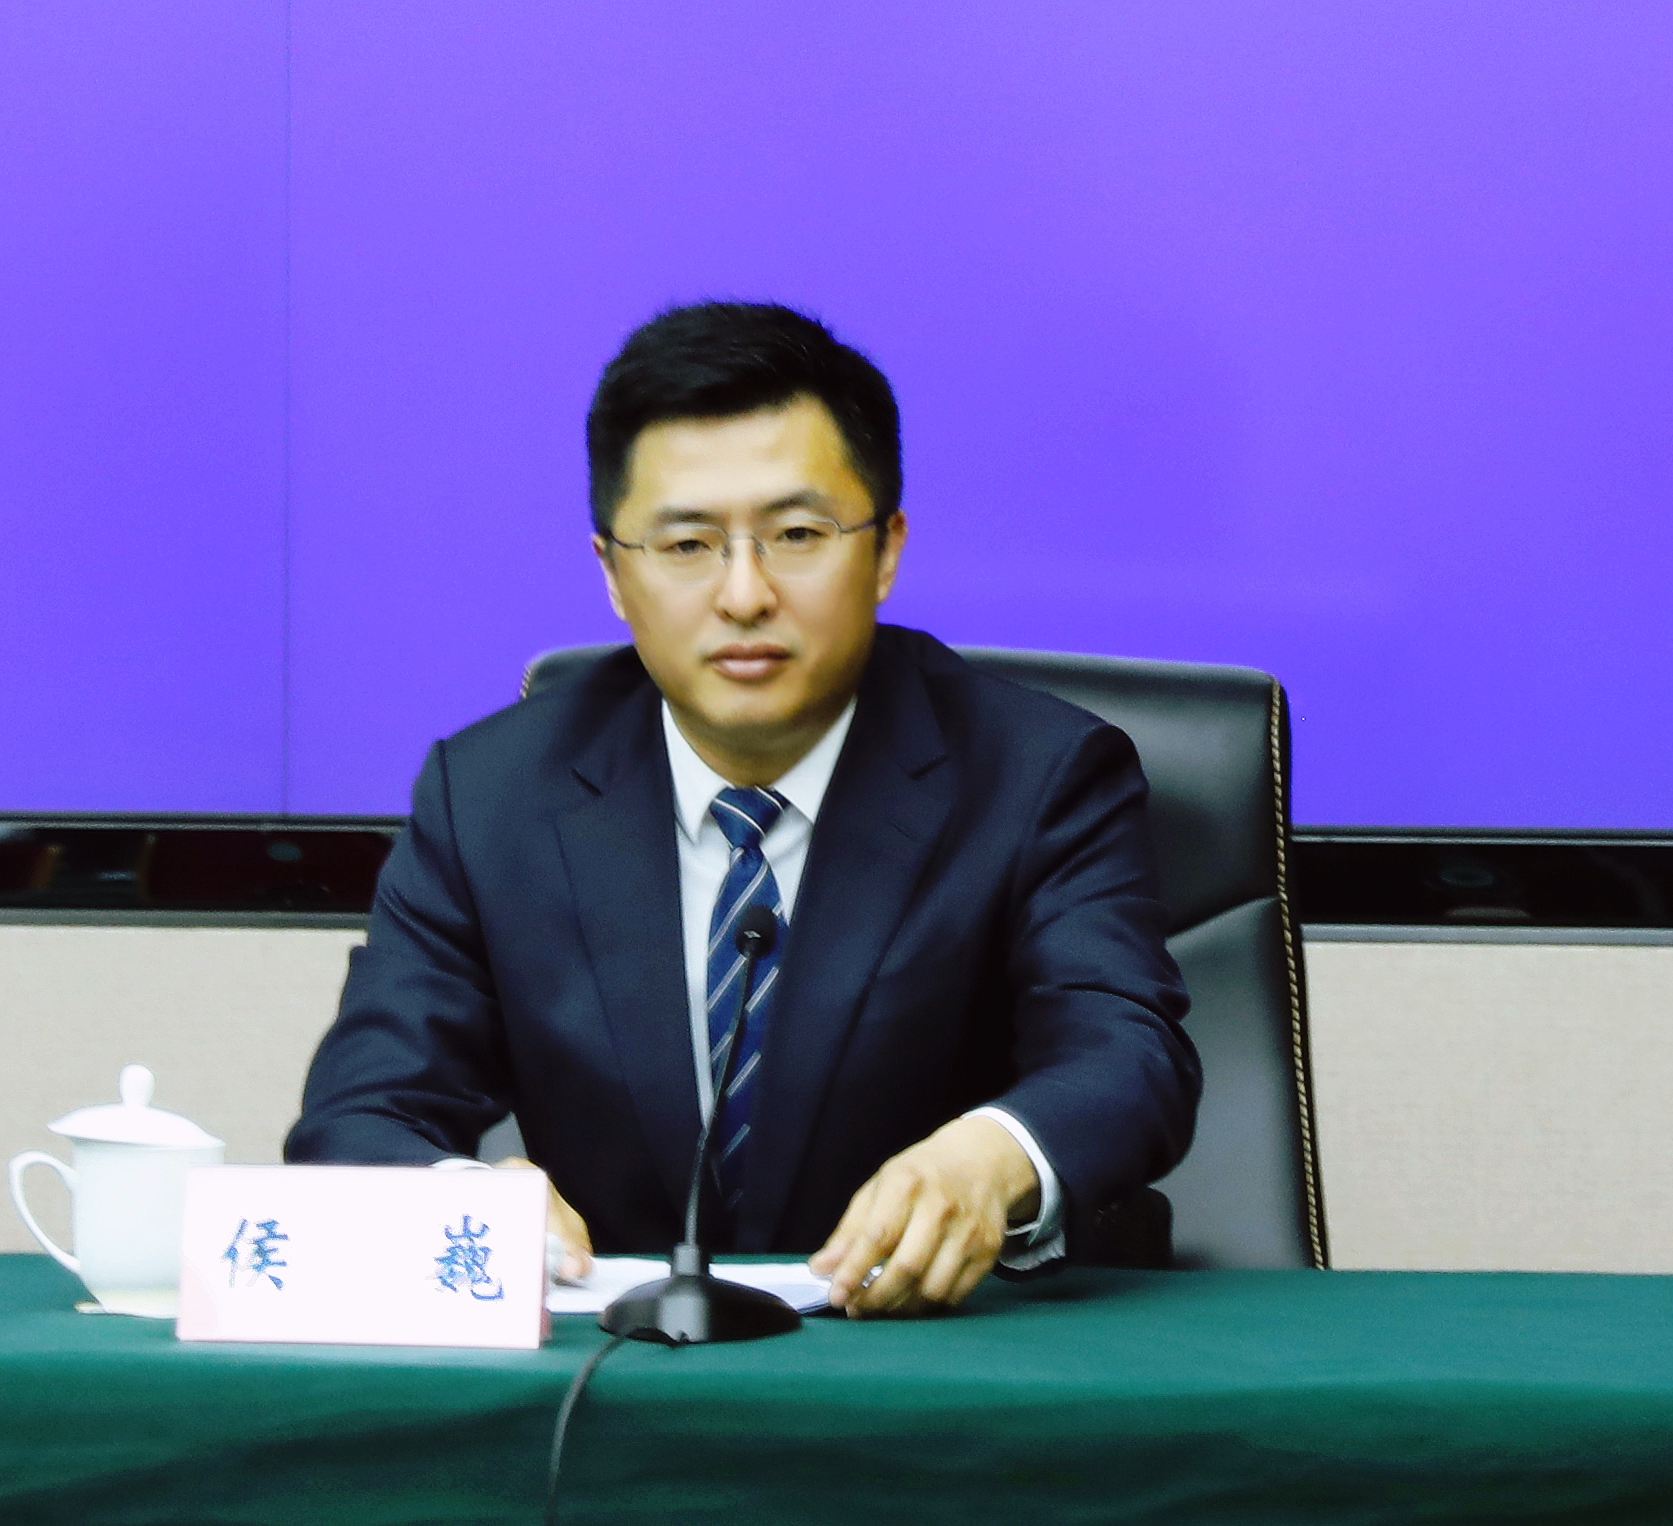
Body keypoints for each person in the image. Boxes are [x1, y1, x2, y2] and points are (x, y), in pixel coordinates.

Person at [286, 302, 1199, 1316]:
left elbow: (1127, 1053)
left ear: (885, 551)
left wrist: (993, 1157)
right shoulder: (492, 796)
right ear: (613, 574)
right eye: (686, 545)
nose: (744, 594)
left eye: (797, 535)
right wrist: (464, 1203)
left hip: (945, 1352)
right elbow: (362, 1110)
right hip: (623, 1370)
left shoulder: (1037, 775)